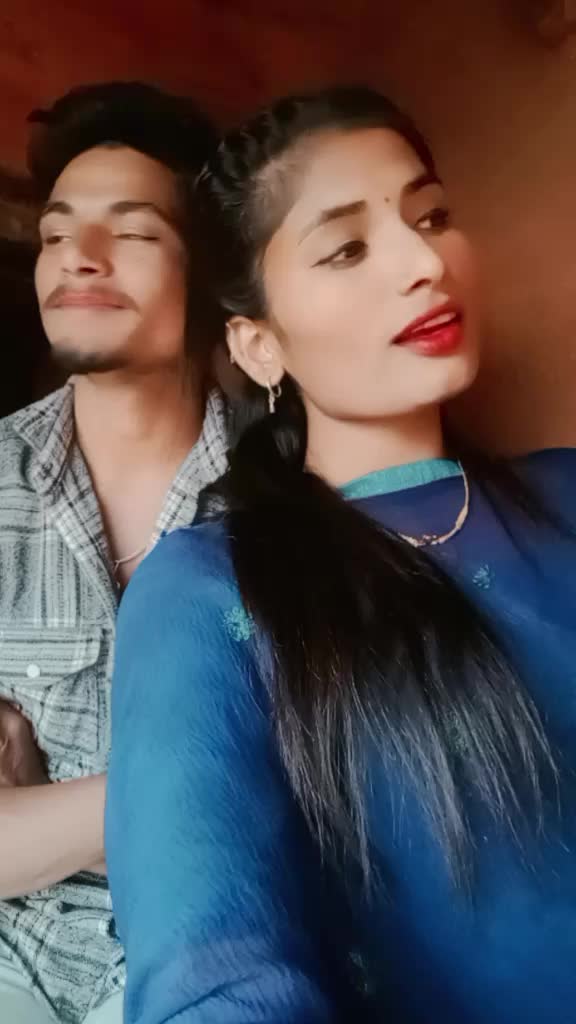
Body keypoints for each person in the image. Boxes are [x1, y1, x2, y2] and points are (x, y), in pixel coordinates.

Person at [106, 85, 576, 1023]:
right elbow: (214, 976)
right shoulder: (208, 592)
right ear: (258, 345)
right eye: (348, 248)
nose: (425, 262)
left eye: (431, 217)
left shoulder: (566, 489)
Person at [0, 82, 227, 1024]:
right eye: (55, 234)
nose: (76, 257)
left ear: (210, 271)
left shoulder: (291, 494)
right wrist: (201, 791)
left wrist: (53, 816)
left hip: (213, 951)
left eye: (131, 231)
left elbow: (330, 809)